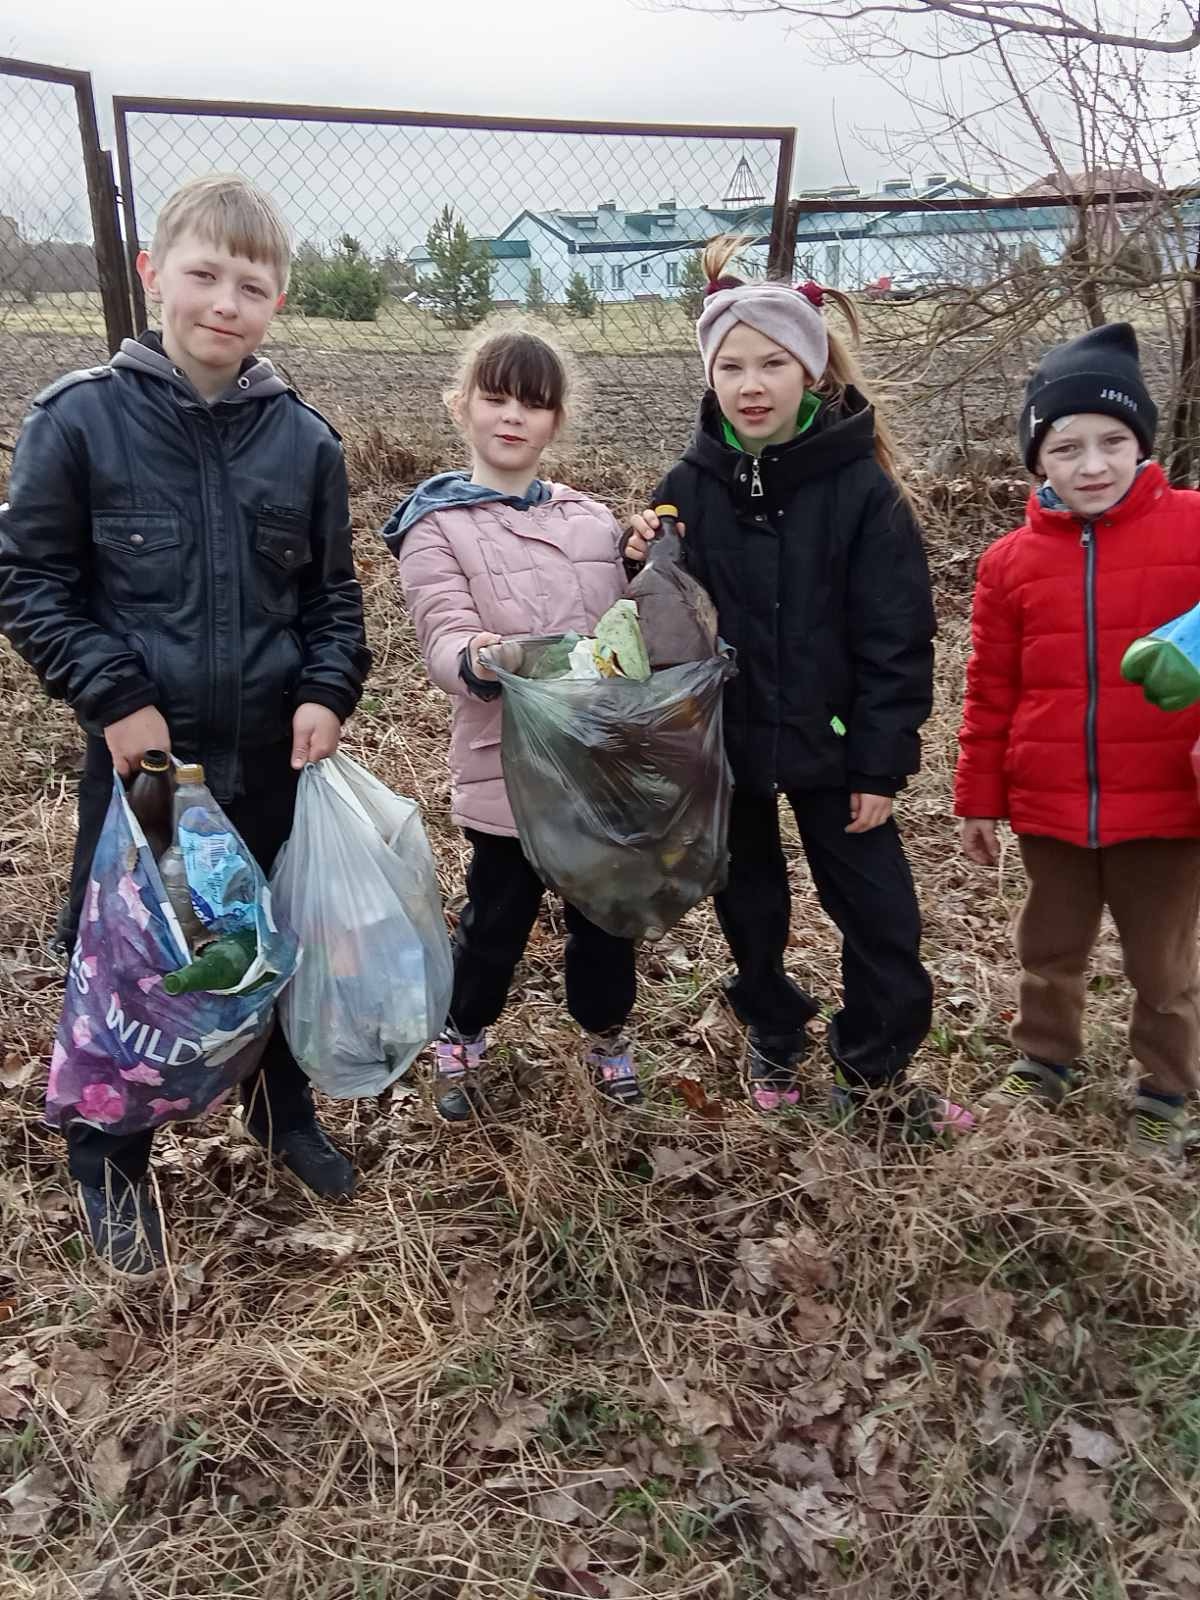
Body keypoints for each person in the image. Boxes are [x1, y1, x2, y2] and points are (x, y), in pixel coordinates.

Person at [0, 174, 371, 1273]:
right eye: (204, 274)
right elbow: (27, 580)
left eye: (251, 285)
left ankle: (280, 1107)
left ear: (278, 300)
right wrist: (115, 697)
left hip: (272, 756)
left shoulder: (304, 442)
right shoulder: (80, 421)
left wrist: (327, 687)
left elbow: (334, 602)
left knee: (273, 941)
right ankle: (111, 1155)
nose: (225, 302)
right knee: (144, 961)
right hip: (152, 770)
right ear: (154, 272)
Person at [625, 237, 969, 1139]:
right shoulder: (685, 488)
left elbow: (897, 639)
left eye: (773, 363)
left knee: (879, 913)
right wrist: (644, 557)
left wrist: (881, 762)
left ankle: (875, 1068)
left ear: (811, 370)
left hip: (836, 742)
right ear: (709, 376)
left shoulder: (863, 491)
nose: (752, 385)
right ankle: (773, 1026)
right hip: (728, 746)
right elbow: (662, 620)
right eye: (731, 366)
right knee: (749, 903)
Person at [955, 322, 1200, 1163]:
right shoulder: (1009, 563)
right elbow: (990, 689)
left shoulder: (1193, 531)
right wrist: (979, 799)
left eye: (1112, 442)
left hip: (1167, 804)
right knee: (1049, 947)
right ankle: (1043, 1060)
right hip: (1051, 803)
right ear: (1038, 459)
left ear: (1142, 444)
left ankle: (1165, 1089)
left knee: (1162, 964)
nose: (1092, 465)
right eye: (1066, 448)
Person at [384, 323, 641, 1121]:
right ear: (460, 406)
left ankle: (606, 1034)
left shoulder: (591, 519)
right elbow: (443, 632)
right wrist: (482, 657)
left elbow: (628, 623)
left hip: (597, 762)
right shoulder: (436, 526)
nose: (512, 416)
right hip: (507, 767)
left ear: (556, 421)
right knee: (497, 918)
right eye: (495, 398)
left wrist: (646, 560)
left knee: (606, 919)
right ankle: (462, 1033)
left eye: (533, 403)